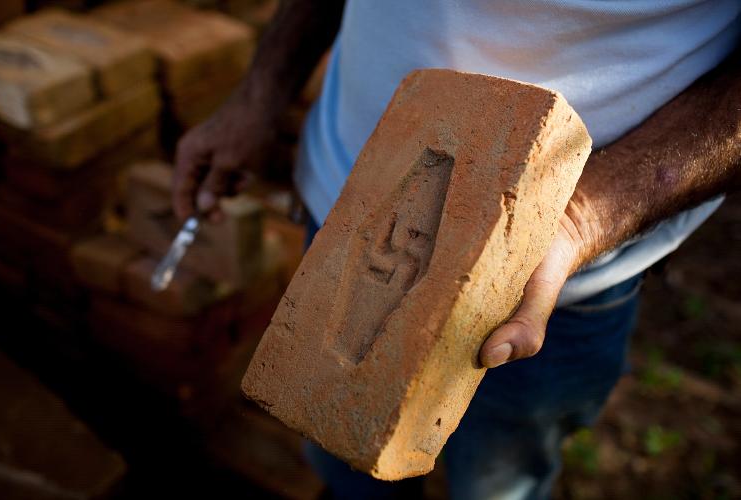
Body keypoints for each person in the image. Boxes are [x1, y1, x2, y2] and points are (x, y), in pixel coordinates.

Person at [172, 1, 741, 498]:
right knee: (334, 443)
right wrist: (258, 95)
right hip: (345, 193)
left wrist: (578, 221)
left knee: (498, 479)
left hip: (551, 276)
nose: (400, 249)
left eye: (412, 241)